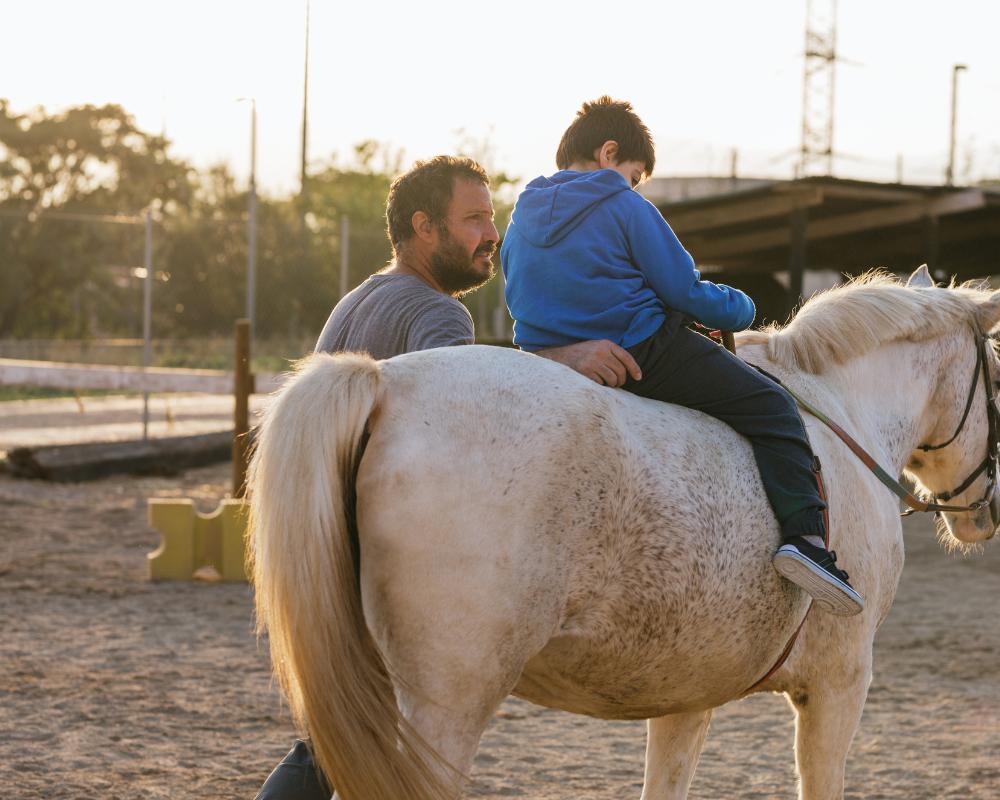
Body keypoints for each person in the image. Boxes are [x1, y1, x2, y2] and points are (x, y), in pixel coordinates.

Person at [255, 154, 640, 799]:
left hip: (339, 544)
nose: (492, 234)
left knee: (329, 740)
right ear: (423, 227)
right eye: (474, 220)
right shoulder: (436, 314)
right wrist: (563, 360)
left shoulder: (359, 300)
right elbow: (471, 414)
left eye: (491, 218)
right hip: (393, 550)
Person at [502, 96, 864, 616]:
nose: (632, 186)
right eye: (632, 174)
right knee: (774, 407)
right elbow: (684, 290)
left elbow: (520, 304)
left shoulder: (519, 221)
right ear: (609, 153)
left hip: (551, 360)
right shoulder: (624, 205)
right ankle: (806, 542)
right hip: (645, 350)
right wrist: (742, 306)